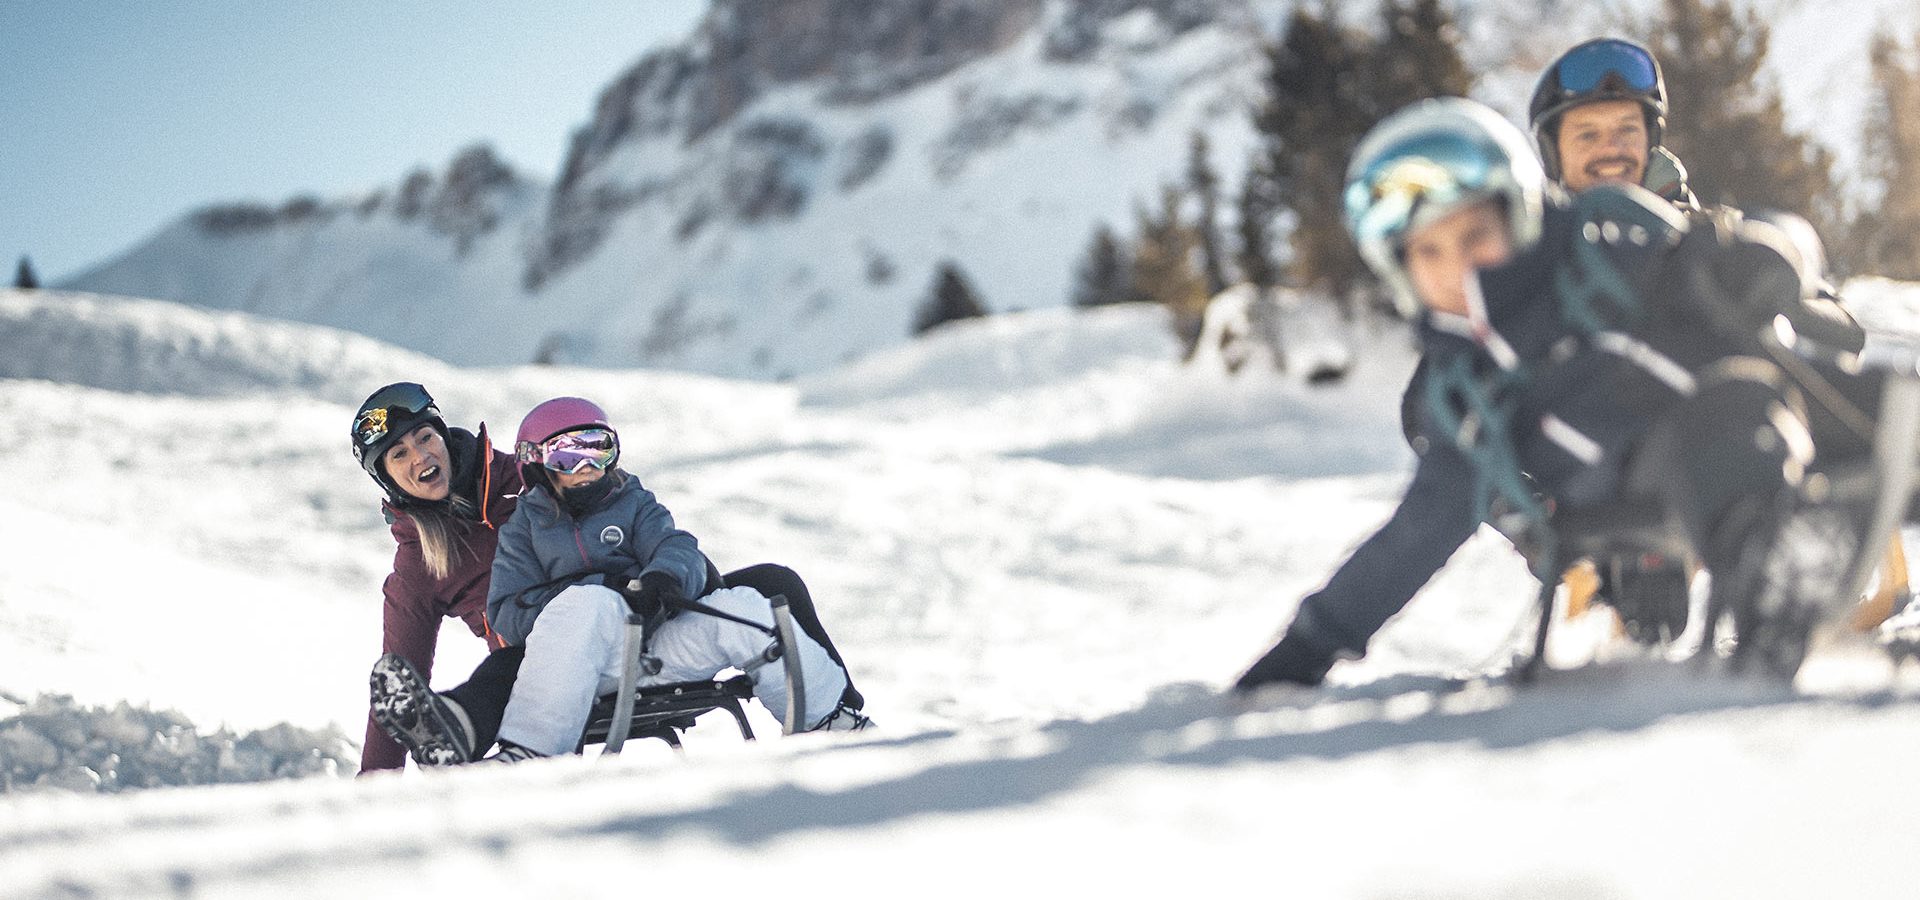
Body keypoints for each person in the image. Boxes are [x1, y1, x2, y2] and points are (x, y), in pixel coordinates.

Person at [1235, 97, 1891, 691]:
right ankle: (1773, 582)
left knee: (1886, 406)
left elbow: (1705, 259)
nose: (1458, 269)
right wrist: (1308, 647)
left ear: (1518, 215)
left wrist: (1750, 264)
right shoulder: (1466, 393)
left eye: (1475, 238)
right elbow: (1416, 535)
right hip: (1640, 492)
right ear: (1398, 269)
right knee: (1727, 416)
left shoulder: (1601, 260)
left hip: (1783, 412)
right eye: (1429, 254)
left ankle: (1811, 537)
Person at [478, 397, 870, 761]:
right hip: (588, 666)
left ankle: (827, 721)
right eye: (565, 456)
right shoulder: (523, 530)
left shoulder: (631, 502)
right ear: (533, 464)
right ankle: (531, 752)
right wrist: (598, 591)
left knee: (742, 606)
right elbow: (505, 613)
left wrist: (664, 580)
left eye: (598, 449)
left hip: (658, 650)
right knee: (587, 602)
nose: (585, 468)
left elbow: (675, 545)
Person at [350, 382, 524, 774]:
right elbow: (399, 682)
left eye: (426, 437)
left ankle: (457, 725)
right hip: (527, 670)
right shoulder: (420, 562)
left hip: (605, 621)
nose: (421, 455)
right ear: (387, 478)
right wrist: (374, 785)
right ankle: (451, 730)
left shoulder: (519, 479)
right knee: (512, 667)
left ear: (443, 436)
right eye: (399, 454)